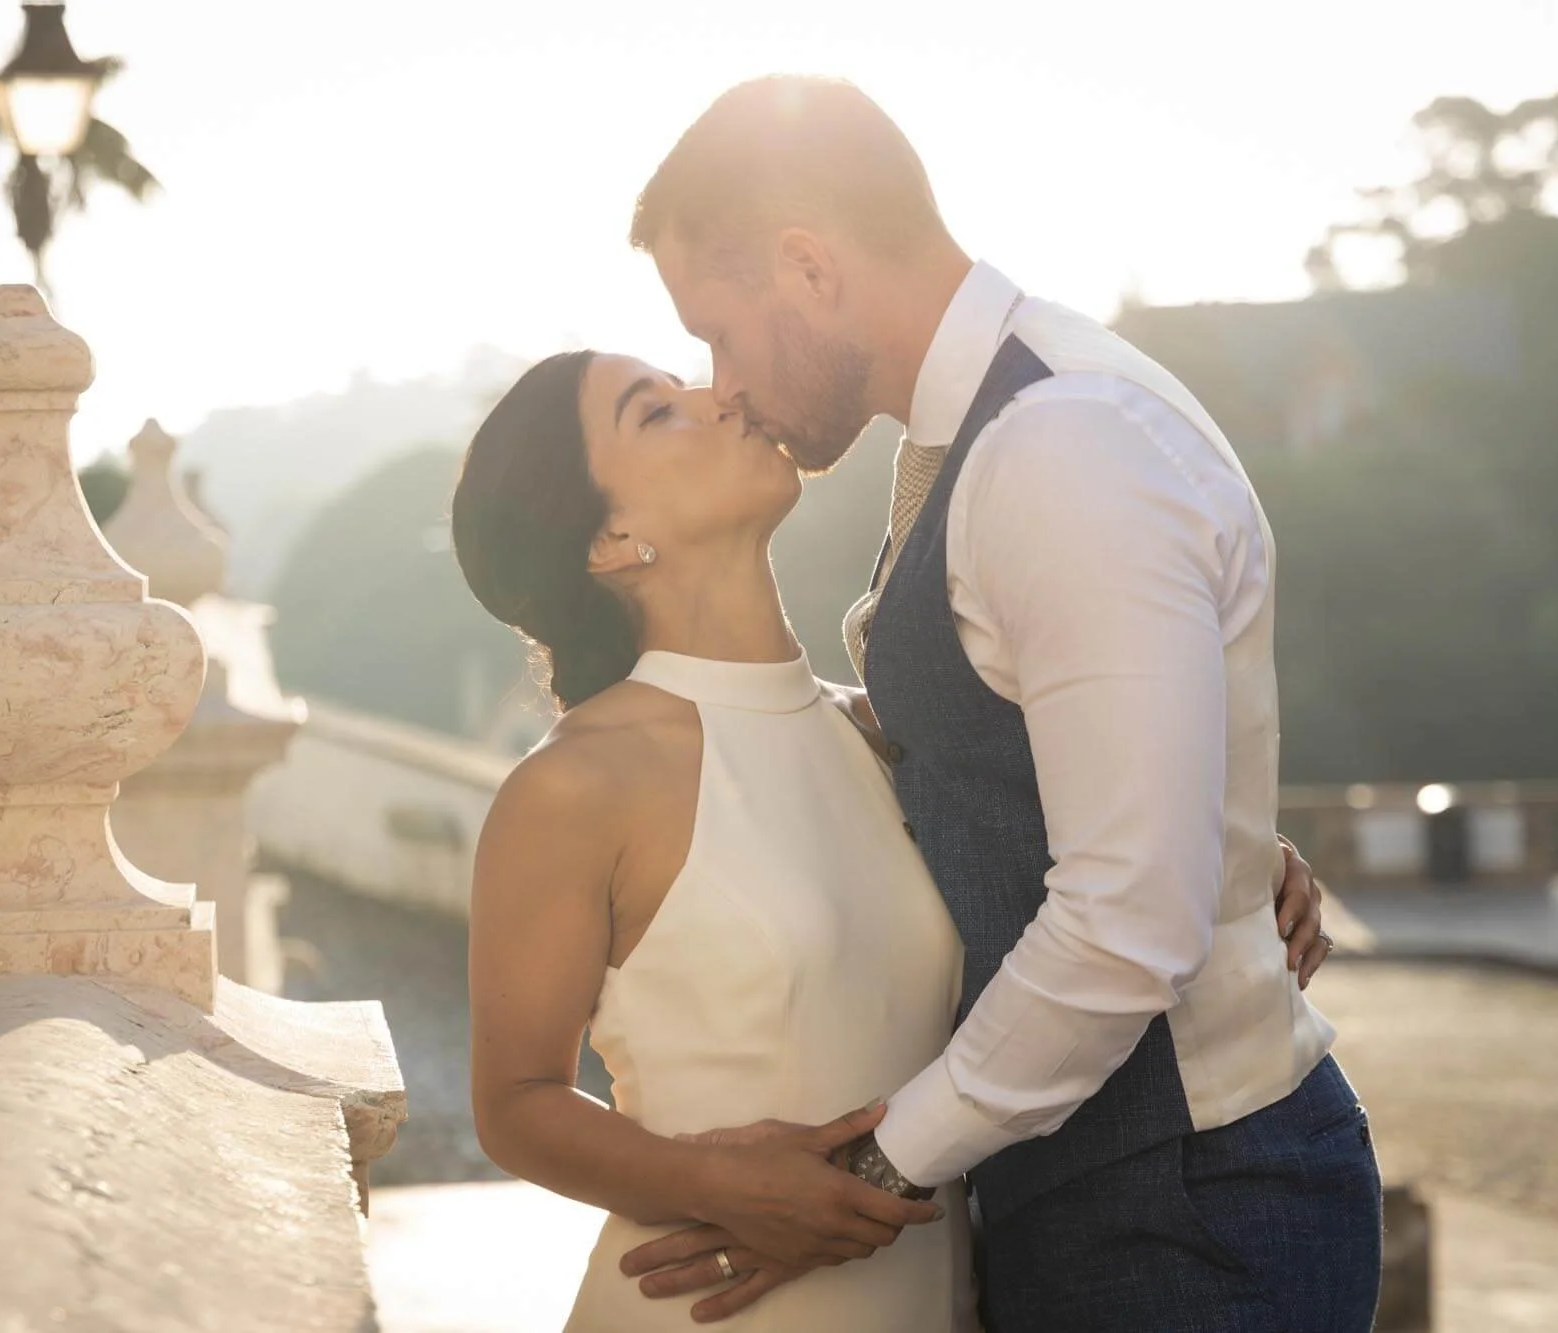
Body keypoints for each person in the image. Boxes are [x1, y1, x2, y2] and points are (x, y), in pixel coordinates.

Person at [609, 76, 1384, 1332]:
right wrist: (1220, 834)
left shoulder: (1060, 445)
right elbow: (1005, 726)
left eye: (721, 333)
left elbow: (1128, 916)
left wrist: (869, 1174)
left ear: (806, 265)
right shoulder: (982, 431)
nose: (724, 384)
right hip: (1104, 1195)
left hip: (1182, 1215)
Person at [452, 344, 1335, 1331]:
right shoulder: (571, 784)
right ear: (611, 536)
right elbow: (517, 1102)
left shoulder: (884, 730)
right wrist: (714, 1180)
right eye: (653, 411)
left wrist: (1240, 855)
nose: (716, 394)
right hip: (708, 1305)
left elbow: (1099, 858)